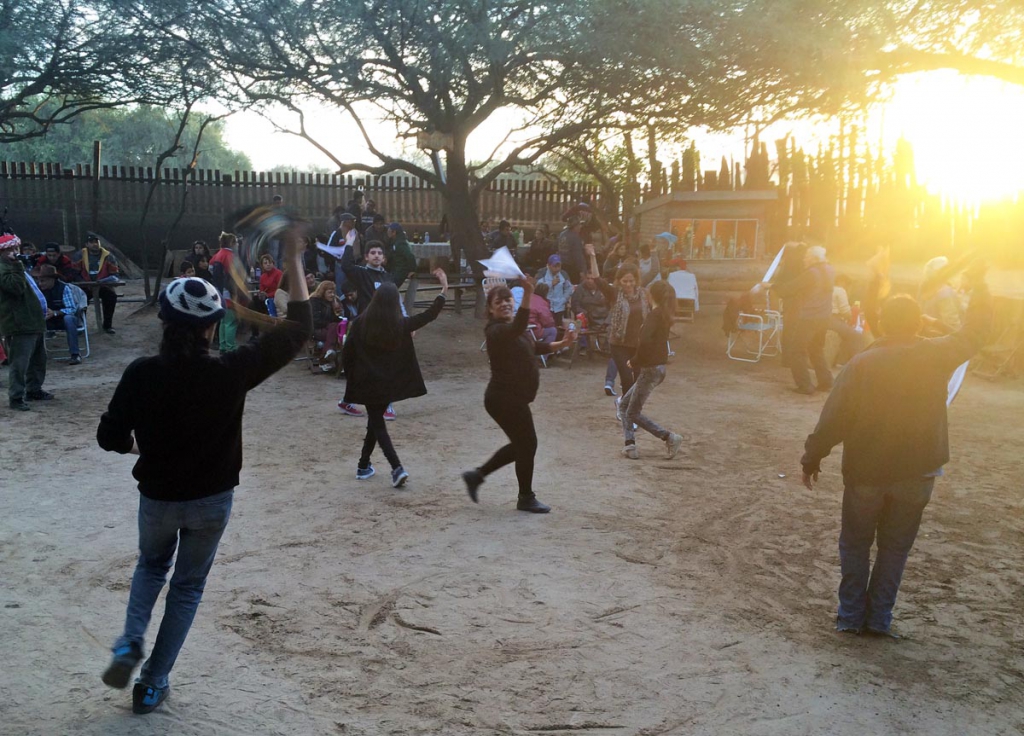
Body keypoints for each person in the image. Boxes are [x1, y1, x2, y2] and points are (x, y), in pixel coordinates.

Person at [96, 230, 312, 715]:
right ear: (213, 326)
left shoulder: (140, 373)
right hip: (212, 500)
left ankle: (131, 639)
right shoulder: (230, 371)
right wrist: (294, 262)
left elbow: (108, 437)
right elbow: (299, 329)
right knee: (188, 587)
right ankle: (153, 682)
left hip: (158, 497)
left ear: (164, 322)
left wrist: (137, 446)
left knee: (151, 567)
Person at [801, 269, 992, 638]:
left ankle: (851, 617)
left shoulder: (861, 364)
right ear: (920, 322)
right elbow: (975, 334)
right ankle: (879, 619)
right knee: (895, 548)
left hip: (866, 471)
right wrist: (980, 287)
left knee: (855, 543)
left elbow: (833, 419)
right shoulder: (936, 354)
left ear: (877, 323)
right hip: (919, 470)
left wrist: (812, 458)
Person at [462, 279, 576, 513]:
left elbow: (536, 347)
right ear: (491, 309)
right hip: (503, 399)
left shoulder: (516, 328)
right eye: (498, 301)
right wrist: (529, 293)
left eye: (507, 299)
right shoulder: (496, 331)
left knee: (522, 445)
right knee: (527, 444)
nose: (504, 304)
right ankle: (525, 497)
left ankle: (477, 475)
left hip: (511, 398)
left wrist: (562, 343)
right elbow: (516, 328)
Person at [341, 271, 449, 487]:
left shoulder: (360, 323)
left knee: (375, 422)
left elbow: (347, 353)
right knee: (377, 423)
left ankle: (363, 466)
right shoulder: (399, 325)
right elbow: (429, 315)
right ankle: (396, 467)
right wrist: (443, 290)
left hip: (366, 382)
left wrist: (352, 377)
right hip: (387, 383)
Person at [619, 280, 684, 460]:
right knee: (624, 405)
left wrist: (636, 360)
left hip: (650, 369)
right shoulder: (662, 314)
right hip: (657, 367)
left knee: (631, 411)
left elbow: (646, 341)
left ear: (652, 295)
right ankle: (629, 445)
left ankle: (668, 437)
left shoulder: (654, 315)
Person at [585, 244, 650, 412]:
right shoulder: (615, 294)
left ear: (636, 280)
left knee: (638, 380)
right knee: (627, 379)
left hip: (638, 345)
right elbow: (597, 279)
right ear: (619, 281)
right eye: (624, 281)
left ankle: (626, 404)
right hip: (619, 345)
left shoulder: (644, 294)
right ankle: (630, 414)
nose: (628, 284)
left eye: (631, 281)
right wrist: (592, 256)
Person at [770, 244, 835, 395]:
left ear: (814, 258)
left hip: (809, 317)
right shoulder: (830, 269)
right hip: (824, 316)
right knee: (816, 349)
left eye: (806, 257)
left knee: (796, 351)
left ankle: (805, 385)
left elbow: (789, 289)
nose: (804, 259)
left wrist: (772, 286)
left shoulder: (811, 273)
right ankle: (826, 381)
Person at [0, 232, 52, 410]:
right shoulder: (5, 268)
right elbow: (15, 287)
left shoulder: (16, 266)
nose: (16, 252)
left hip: (33, 320)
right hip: (19, 323)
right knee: (20, 362)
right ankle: (16, 397)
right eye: (11, 249)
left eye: (16, 248)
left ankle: (34, 389)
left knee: (39, 359)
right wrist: (17, 266)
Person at [35, 263, 88, 365]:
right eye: (39, 280)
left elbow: (72, 308)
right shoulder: (37, 290)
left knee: (69, 318)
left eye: (43, 281)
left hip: (63, 320)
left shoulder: (64, 288)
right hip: (45, 320)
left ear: (52, 279)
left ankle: (75, 354)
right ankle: (37, 357)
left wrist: (55, 313)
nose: (40, 284)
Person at [209, 231, 246, 352]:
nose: (238, 245)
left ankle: (223, 345)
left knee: (224, 321)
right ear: (232, 243)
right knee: (232, 321)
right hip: (229, 292)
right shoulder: (230, 256)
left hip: (218, 292)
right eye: (236, 242)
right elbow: (235, 277)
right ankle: (230, 347)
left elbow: (210, 268)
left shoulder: (218, 254)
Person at [76, 234, 120, 335]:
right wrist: (84, 283)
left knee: (111, 297)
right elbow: (74, 273)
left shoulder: (108, 256)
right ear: (87, 244)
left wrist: (104, 281)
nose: (95, 244)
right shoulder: (79, 255)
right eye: (92, 242)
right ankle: (80, 325)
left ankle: (107, 326)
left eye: (97, 242)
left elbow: (115, 274)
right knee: (79, 300)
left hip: (103, 286)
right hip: (85, 286)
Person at [919, 256, 963, 336]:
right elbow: (953, 324)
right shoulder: (943, 292)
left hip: (934, 336)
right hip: (939, 338)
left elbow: (952, 323)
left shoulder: (938, 291)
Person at [830, 274, 864, 366]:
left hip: (824, 317)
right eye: (847, 284)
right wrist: (849, 316)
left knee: (846, 335)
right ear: (841, 282)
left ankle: (840, 361)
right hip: (833, 319)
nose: (848, 286)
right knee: (856, 336)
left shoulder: (829, 288)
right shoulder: (840, 290)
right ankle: (858, 364)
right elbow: (845, 311)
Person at [309, 280, 342, 371]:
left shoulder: (332, 302)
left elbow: (335, 320)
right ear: (323, 292)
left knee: (337, 328)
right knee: (334, 327)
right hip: (316, 330)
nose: (332, 295)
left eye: (333, 292)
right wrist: (330, 324)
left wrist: (337, 311)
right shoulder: (314, 301)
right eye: (329, 292)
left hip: (329, 330)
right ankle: (325, 357)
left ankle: (327, 354)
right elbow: (315, 321)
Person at [534, 254, 573, 325]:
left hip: (559, 306)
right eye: (555, 266)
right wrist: (550, 284)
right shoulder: (542, 273)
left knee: (559, 326)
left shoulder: (563, 274)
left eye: (559, 266)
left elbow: (569, 288)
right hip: (546, 306)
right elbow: (537, 288)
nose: (557, 268)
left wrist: (564, 299)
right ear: (549, 265)